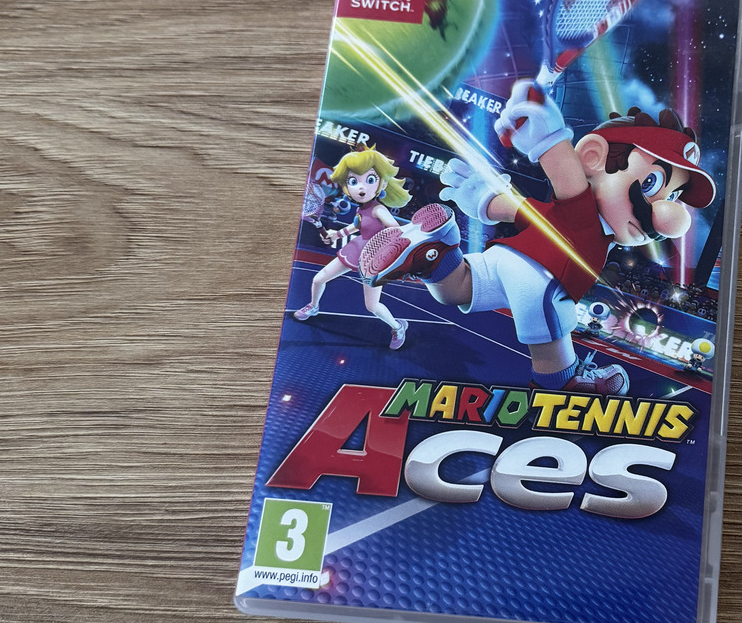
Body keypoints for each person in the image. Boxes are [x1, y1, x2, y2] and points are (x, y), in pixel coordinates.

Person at [361, 84, 716, 395]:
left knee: (456, 288)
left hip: (506, 259)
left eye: (673, 197)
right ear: (594, 157)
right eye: (652, 184)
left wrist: (484, 198)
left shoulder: (578, 223)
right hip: (541, 280)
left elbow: (519, 210)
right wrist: (548, 134)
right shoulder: (582, 214)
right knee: (554, 337)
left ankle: (437, 249)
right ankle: (564, 384)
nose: (668, 216)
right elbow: (566, 172)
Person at [292, 147, 414, 349]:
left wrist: (383, 251)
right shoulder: (361, 208)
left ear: (382, 183)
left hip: (374, 259)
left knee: (372, 306)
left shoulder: (379, 209)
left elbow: (395, 230)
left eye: (370, 179)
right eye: (353, 181)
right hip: (356, 249)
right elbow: (356, 226)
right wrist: (336, 234)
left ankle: (398, 327)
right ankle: (313, 306)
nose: (361, 187)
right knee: (319, 279)